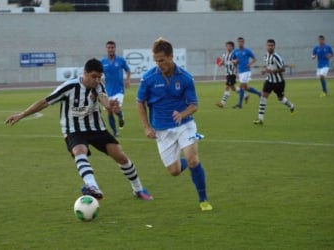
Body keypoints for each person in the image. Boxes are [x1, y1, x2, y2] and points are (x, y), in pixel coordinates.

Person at [5, 58, 153, 201]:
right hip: (73, 129)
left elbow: (103, 99)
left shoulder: (98, 86)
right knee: (79, 151)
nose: (96, 80)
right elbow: (45, 102)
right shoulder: (69, 87)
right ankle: (92, 186)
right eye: (94, 77)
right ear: (85, 73)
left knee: (120, 156)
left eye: (99, 77)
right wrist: (22, 114)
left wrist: (110, 105)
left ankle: (138, 189)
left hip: (96, 128)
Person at [136, 38, 213, 211]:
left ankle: (203, 200)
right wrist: (147, 127)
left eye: (161, 60)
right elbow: (139, 102)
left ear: (171, 57)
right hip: (162, 130)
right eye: (156, 60)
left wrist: (182, 114)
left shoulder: (185, 78)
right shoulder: (148, 78)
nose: (158, 64)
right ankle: (185, 160)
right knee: (174, 171)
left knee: (193, 160)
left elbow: (194, 105)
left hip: (184, 125)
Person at [253, 39, 295, 125]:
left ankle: (291, 105)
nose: (270, 47)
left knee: (281, 99)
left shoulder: (277, 57)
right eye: (268, 45)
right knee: (263, 97)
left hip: (279, 82)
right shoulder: (265, 56)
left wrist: (273, 71)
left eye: (272, 45)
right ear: (266, 46)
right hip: (269, 81)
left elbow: (283, 69)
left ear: (274, 46)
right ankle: (260, 119)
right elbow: (269, 67)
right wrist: (265, 71)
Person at [101, 41, 131, 136]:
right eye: (109, 47)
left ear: (115, 48)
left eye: (112, 47)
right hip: (107, 91)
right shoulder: (103, 62)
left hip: (119, 90)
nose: (111, 49)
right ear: (106, 49)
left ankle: (120, 115)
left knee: (115, 109)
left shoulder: (121, 60)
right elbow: (98, 73)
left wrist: (127, 80)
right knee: (109, 111)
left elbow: (128, 70)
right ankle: (115, 132)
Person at [216, 41, 249, 108]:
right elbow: (222, 62)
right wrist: (220, 63)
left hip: (232, 73)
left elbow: (238, 61)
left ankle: (222, 103)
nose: (228, 47)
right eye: (227, 46)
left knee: (227, 87)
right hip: (227, 74)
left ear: (232, 47)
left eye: (230, 46)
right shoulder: (224, 54)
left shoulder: (235, 54)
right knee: (233, 88)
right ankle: (245, 96)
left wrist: (235, 61)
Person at [232, 37, 261, 109]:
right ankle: (259, 93)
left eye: (241, 42)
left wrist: (250, 64)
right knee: (246, 88)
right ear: (237, 42)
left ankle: (240, 104)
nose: (240, 43)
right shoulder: (235, 51)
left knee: (241, 87)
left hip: (246, 71)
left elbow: (255, 59)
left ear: (243, 42)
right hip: (240, 72)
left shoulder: (247, 50)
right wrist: (235, 62)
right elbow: (233, 60)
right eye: (239, 42)